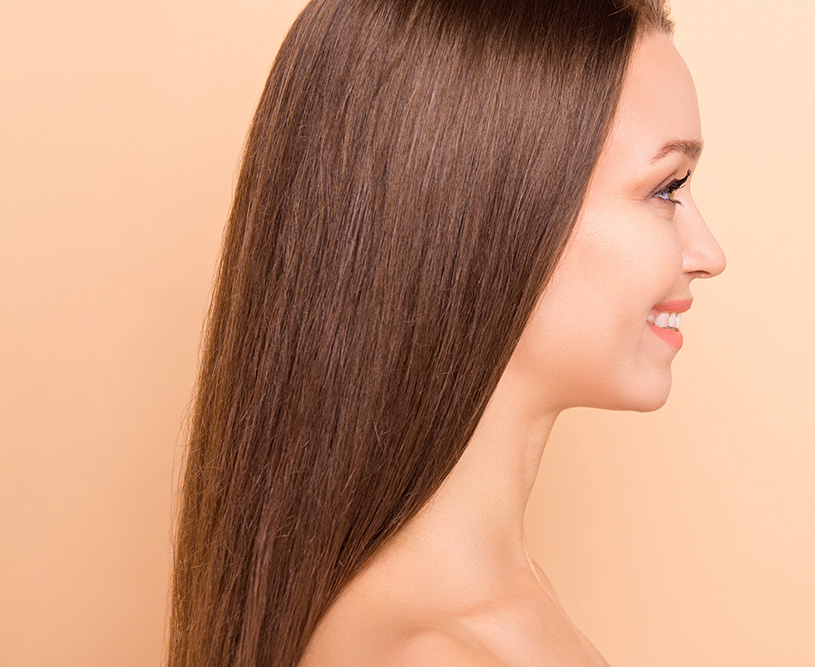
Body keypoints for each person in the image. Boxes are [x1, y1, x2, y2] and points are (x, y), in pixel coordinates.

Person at [167, 0, 725, 665]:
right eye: (667, 188)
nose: (708, 252)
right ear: (492, 206)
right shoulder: (427, 653)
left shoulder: (505, 599)